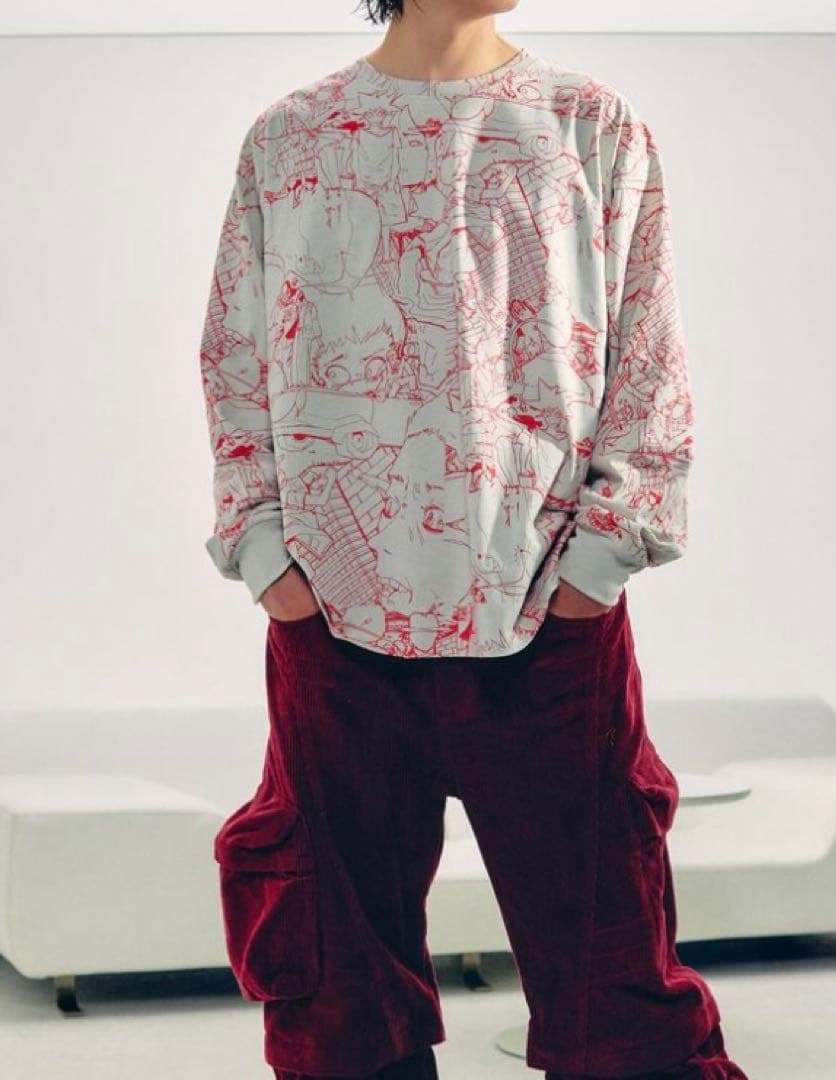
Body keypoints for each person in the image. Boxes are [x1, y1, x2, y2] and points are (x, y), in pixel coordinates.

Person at [199, 2, 749, 1078]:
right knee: (339, 1002)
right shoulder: (291, 135)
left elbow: (648, 354)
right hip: (336, 628)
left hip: (548, 623)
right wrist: (268, 560)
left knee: (618, 990)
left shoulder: (589, 122)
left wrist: (598, 567)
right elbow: (234, 351)